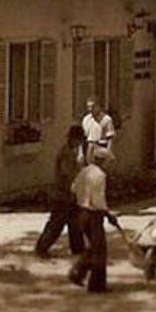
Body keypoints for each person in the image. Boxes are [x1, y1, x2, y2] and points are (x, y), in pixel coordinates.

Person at [68, 144, 120, 293]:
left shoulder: (84, 171)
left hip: (81, 212)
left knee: (92, 247)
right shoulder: (100, 176)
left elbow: (73, 188)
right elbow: (98, 200)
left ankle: (77, 272)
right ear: (103, 161)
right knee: (100, 251)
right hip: (93, 215)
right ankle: (97, 285)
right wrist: (108, 214)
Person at [34, 125, 86, 258]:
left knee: (75, 223)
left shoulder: (74, 151)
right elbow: (67, 173)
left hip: (72, 194)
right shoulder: (67, 153)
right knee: (56, 223)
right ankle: (42, 247)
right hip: (63, 193)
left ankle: (78, 248)